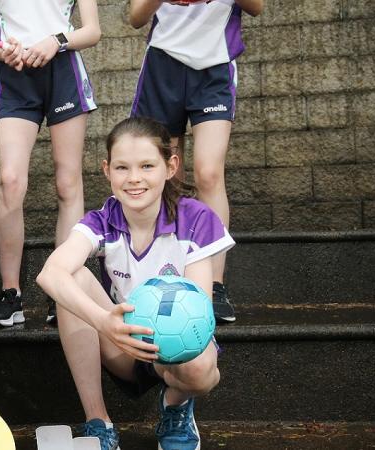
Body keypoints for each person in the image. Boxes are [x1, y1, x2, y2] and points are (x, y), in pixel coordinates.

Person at [35, 117, 234, 450]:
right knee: (70, 277)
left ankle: (176, 407)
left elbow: (198, 308)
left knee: (201, 368)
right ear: (107, 170)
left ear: (170, 166)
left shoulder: (196, 218)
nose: (134, 178)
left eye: (146, 165)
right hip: (122, 341)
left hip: (177, 344)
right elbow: (49, 273)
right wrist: (104, 323)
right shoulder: (100, 221)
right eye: (123, 167)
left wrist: (163, 338)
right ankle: (99, 423)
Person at [127, 0, 264, 323]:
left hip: (214, 65)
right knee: (165, 177)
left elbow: (256, 7)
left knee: (209, 173)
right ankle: (167, 278)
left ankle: (215, 286)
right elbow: (136, 17)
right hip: (163, 65)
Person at [0, 0, 102, 329]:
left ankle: (64, 290)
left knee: (67, 183)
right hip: (15, 78)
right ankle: (10, 294)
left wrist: (56, 40)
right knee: (10, 181)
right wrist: (3, 51)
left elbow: (92, 31)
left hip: (64, 72)